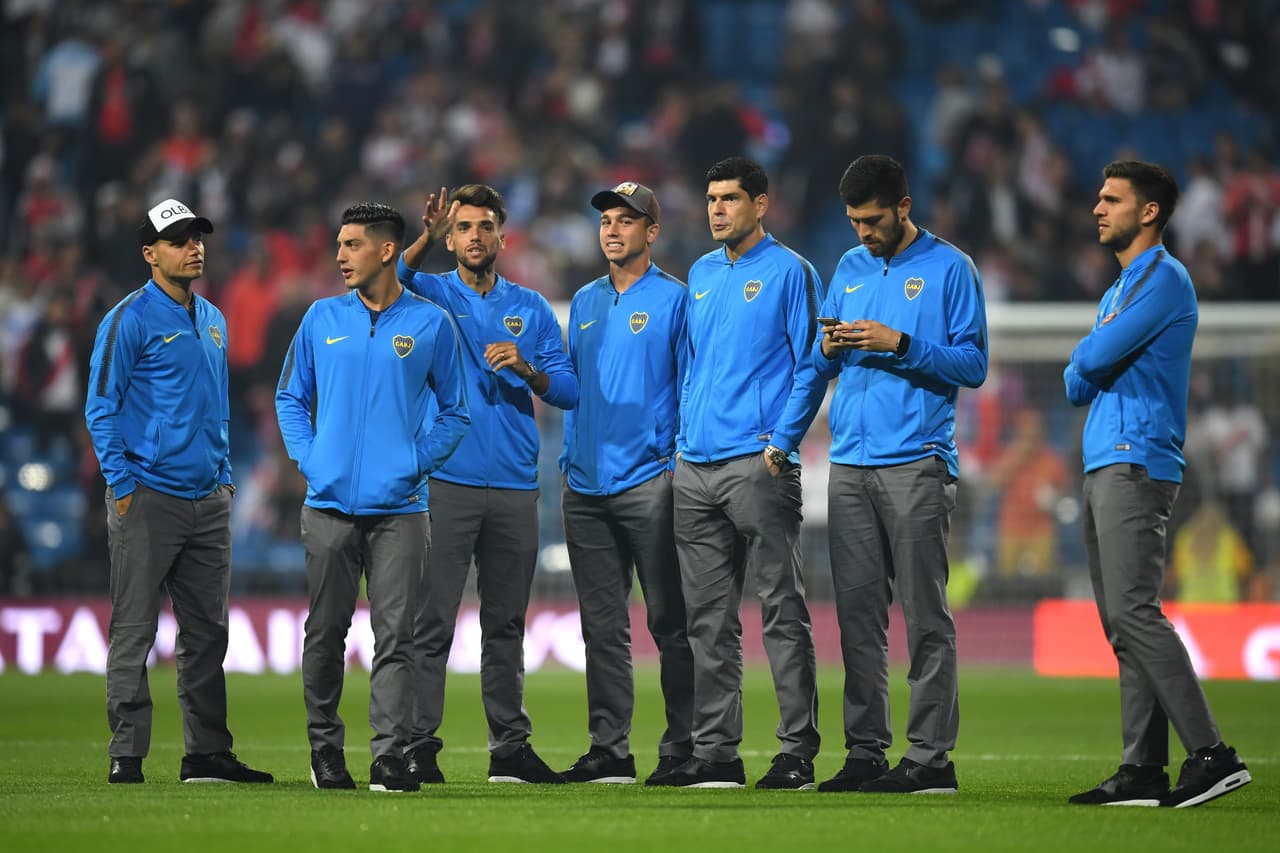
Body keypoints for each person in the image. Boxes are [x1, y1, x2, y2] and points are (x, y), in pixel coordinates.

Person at [1064, 160, 1251, 808]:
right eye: (1098, 195)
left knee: (1136, 611)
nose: (1097, 207)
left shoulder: (1166, 280)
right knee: (1122, 621)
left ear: (1148, 212)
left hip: (1136, 459)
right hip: (1103, 459)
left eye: (1111, 198)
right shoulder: (1118, 292)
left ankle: (1213, 752)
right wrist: (1096, 352)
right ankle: (1142, 768)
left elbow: (1086, 362)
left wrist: (1096, 352)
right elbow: (1073, 381)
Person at [275, 202, 470, 793]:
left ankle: (389, 756)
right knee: (325, 633)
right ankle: (326, 754)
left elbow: (456, 412)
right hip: (328, 505)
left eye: (352, 244)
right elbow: (290, 397)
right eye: (339, 244)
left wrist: (413, 463)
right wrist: (312, 459)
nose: (339, 256)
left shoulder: (432, 324)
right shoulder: (319, 317)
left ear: (387, 250)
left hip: (401, 511)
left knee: (396, 639)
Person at [812, 154, 988, 795]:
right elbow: (823, 354)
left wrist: (902, 345)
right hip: (849, 464)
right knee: (857, 620)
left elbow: (973, 364)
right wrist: (827, 346)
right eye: (855, 221)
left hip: (916, 461)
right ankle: (864, 753)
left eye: (874, 219)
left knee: (924, 615)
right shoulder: (849, 267)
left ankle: (931, 759)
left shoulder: (951, 268)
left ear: (904, 208)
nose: (863, 232)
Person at [653, 156, 827, 790]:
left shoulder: (790, 272)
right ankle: (716, 753)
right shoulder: (698, 273)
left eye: (729, 198)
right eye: (710, 198)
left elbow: (813, 365)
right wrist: (680, 444)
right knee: (708, 621)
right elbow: (691, 368)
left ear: (761, 203)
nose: (716, 209)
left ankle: (795, 752)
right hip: (695, 467)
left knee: (782, 608)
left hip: (757, 465)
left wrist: (780, 445)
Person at [84, 198, 272, 785]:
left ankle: (206, 755)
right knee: (135, 630)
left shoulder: (214, 317)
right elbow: (100, 408)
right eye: (179, 240)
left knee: (207, 634)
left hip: (207, 499)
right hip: (148, 496)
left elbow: (214, 409)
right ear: (150, 253)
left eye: (198, 238)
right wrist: (121, 485)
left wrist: (222, 477)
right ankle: (128, 754)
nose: (194, 247)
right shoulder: (128, 319)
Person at [398, 184, 577, 785]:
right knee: (434, 623)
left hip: (513, 487)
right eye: (463, 227)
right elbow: (387, 272)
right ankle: (418, 745)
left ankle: (510, 751)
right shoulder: (430, 293)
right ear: (450, 239)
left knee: (506, 624)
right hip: (446, 482)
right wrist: (422, 236)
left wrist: (527, 368)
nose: (475, 236)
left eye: (485, 226)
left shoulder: (530, 307)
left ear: (504, 236)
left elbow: (569, 389)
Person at [557, 182, 694, 785]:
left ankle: (684, 746)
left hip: (649, 483)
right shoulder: (584, 302)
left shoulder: (676, 300)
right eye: (606, 220)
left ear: (651, 232)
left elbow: (691, 389)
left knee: (671, 621)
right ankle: (609, 751)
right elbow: (572, 389)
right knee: (601, 627)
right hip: (585, 488)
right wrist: (569, 456)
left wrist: (674, 465)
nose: (612, 229)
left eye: (626, 220)